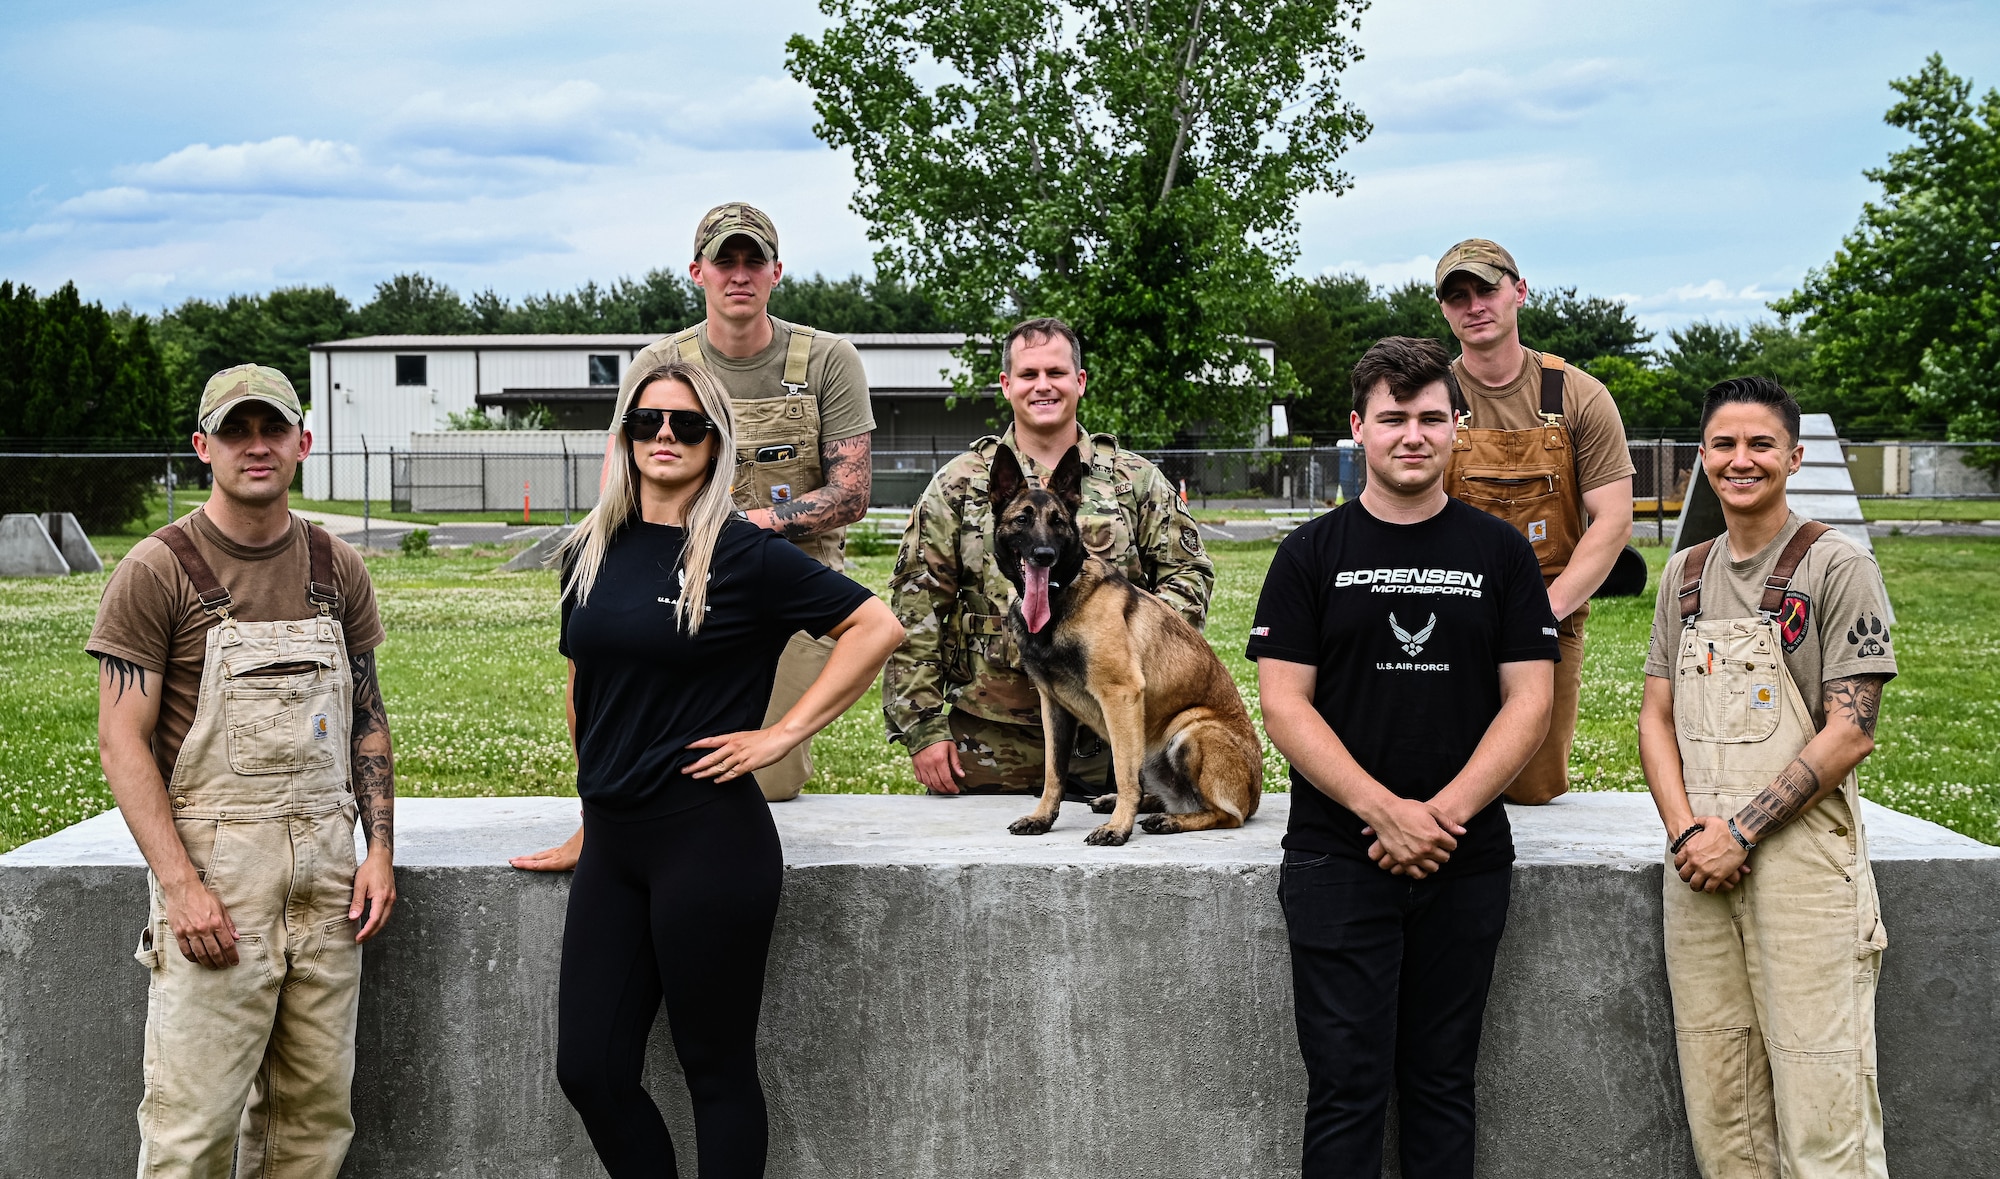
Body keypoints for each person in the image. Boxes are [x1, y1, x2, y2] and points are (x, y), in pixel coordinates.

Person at [509, 360, 904, 1178]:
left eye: (687, 425)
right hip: (615, 846)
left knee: (714, 1072)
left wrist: (778, 735)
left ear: (715, 442)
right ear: (623, 437)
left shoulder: (742, 553)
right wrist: (592, 810)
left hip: (710, 844)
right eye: (649, 421)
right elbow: (589, 686)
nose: (665, 436)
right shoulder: (589, 551)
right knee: (590, 1068)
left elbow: (875, 626)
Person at [1248, 337, 1556, 1179]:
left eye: (1430, 417)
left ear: (1457, 427)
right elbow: (1284, 703)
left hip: (1464, 861)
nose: (1412, 435)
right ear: (1359, 428)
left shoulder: (1500, 553)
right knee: (1346, 1091)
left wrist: (1440, 816)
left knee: (1442, 1086)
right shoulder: (1310, 553)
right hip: (1338, 858)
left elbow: (1529, 700)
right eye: (1392, 418)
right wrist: (1384, 813)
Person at [89, 364, 397, 1178]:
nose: (255, 446)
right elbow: (122, 741)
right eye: (235, 430)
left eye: (272, 429)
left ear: (303, 442)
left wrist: (377, 851)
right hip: (217, 883)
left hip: (330, 885)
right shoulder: (158, 570)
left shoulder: (337, 568)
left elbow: (368, 715)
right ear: (203, 447)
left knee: (313, 1127)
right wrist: (181, 886)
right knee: (190, 1133)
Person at [1638, 377, 1895, 1179]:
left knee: (1825, 1112)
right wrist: (1689, 834)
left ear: (1794, 454)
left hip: (1801, 875)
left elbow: (1850, 730)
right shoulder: (1685, 573)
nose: (1740, 459)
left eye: (1759, 444)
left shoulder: (1838, 567)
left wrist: (1739, 831)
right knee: (1726, 1115)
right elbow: (1654, 717)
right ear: (1702, 459)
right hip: (1700, 875)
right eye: (1723, 444)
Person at [882, 316, 1214, 795]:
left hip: (1115, 741)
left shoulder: (1133, 480)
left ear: (1079, 382)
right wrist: (923, 728)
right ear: (1006, 384)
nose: (1043, 386)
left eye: (1057, 373)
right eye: (1029, 374)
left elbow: (1189, 575)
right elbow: (917, 604)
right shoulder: (960, 483)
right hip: (989, 742)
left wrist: (1129, 648)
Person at [616, 201, 875, 802]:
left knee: (765, 781)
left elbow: (852, 494)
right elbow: (621, 487)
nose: (739, 274)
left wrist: (735, 527)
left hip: (792, 592)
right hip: (674, 582)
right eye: (723, 260)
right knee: (656, 762)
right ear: (696, 271)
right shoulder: (659, 366)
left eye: (753, 262)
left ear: (775, 273)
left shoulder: (827, 361)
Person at [1434, 238, 1634, 804]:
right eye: (1457, 296)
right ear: (1445, 311)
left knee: (1532, 790)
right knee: (1438, 777)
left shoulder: (1579, 396)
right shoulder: (1433, 397)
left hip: (1551, 615)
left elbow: (1614, 521)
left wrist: (1539, 616)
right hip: (1446, 615)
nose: (1474, 305)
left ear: (1519, 292)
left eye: (1487, 289)